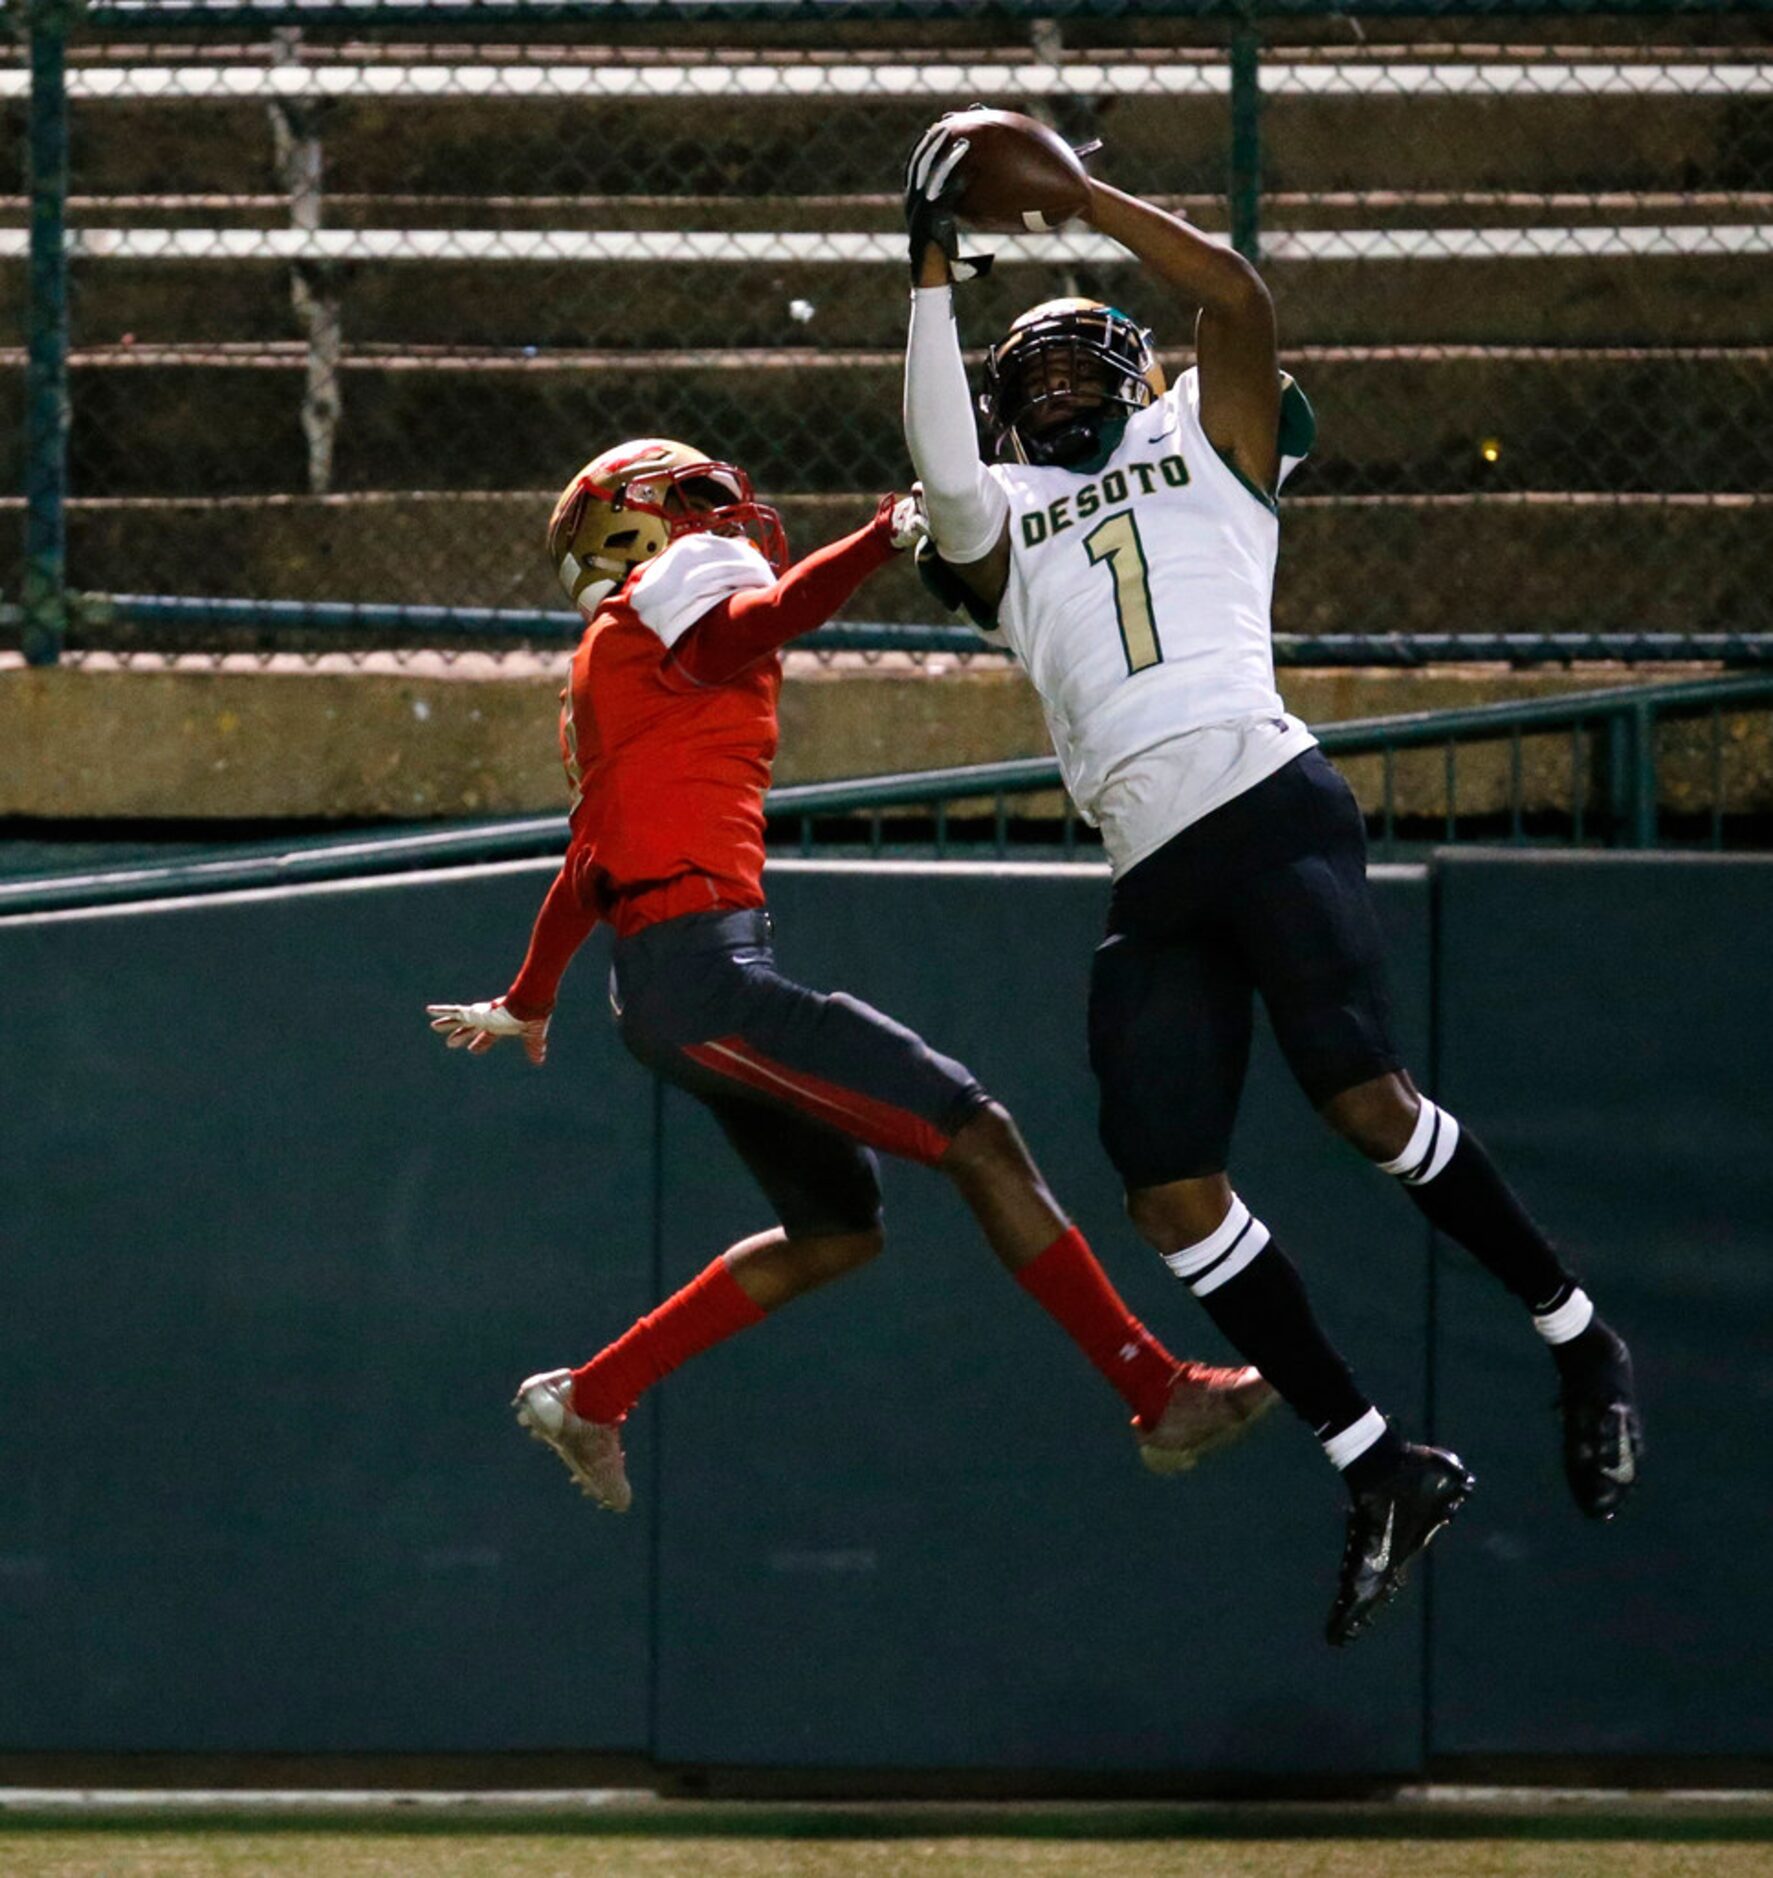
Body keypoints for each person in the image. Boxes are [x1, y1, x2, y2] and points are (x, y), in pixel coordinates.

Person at [899, 124, 1644, 1646]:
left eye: (1078, 358)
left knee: (1362, 1102)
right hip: (1149, 863)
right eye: (1022, 371)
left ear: (1132, 370)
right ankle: (1380, 1461)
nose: (1054, 382)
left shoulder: (1210, 446)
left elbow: (1232, 298)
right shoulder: (998, 527)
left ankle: (1580, 1334)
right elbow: (936, 464)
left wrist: (1082, 198)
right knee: (1168, 1192)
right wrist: (925, 274)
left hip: (1260, 794)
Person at [426, 435, 1274, 1516]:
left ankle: (594, 1393)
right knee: (977, 1134)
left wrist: (530, 999)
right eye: (689, 502)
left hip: (675, 980)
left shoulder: (615, 665)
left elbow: (587, 866)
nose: (719, 523)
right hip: (701, 978)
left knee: (838, 1230)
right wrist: (876, 538)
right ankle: (1156, 1390)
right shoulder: (672, 597)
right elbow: (757, 620)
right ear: (625, 527)